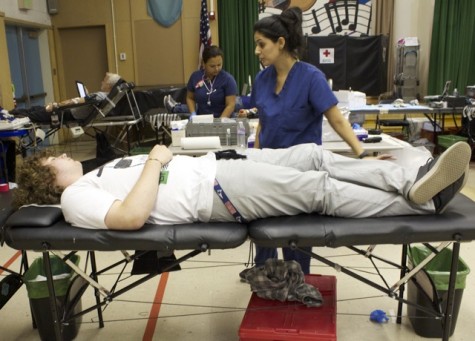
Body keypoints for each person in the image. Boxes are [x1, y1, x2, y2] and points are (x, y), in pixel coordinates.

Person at [13, 141, 471, 232]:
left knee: (312, 154)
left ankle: (410, 180)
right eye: (54, 157)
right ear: (46, 177)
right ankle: (421, 205)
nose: (63, 153)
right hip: (216, 190)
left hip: (218, 167)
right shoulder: (74, 198)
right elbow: (130, 218)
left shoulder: (91, 175)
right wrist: (154, 160)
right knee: (319, 188)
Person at [247, 7, 375, 274]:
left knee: (296, 239)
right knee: (265, 232)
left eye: (262, 44)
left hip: (301, 174)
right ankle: (266, 278)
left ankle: (295, 279)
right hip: (269, 170)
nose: (257, 51)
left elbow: (337, 119)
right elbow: (263, 123)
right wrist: (255, 159)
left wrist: (361, 153)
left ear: (280, 43)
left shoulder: (311, 77)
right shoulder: (262, 79)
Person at [10, 72, 122, 123]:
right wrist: (87, 96)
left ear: (108, 85)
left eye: (104, 80)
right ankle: (10, 114)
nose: (102, 81)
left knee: (34, 114)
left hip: (67, 113)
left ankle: (10, 117)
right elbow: (85, 101)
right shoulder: (106, 96)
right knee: (36, 109)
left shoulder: (100, 95)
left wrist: (56, 105)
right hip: (71, 112)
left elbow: (76, 101)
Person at [163, 45, 238, 118]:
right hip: (202, 119)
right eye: (212, 66)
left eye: (219, 65)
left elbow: (230, 105)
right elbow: (190, 98)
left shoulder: (228, 79)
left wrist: (219, 122)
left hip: (223, 119)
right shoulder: (195, 77)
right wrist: (193, 113)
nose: (217, 69)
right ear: (203, 64)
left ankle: (175, 107)